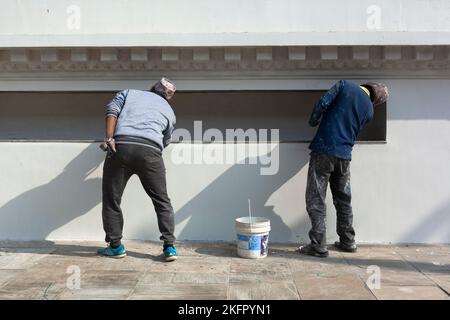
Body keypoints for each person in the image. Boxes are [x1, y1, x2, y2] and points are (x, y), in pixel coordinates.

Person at [298, 80, 388, 258]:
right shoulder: (369, 111)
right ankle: (348, 241)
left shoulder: (345, 85)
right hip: (345, 156)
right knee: (343, 200)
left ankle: (318, 245)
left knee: (316, 199)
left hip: (324, 149)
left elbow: (322, 102)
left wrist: (313, 120)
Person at [97, 78, 178, 261]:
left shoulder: (129, 92)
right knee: (161, 200)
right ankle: (169, 247)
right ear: (168, 97)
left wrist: (110, 139)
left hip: (121, 146)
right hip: (151, 152)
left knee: (112, 199)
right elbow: (166, 140)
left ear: (151, 89)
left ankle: (116, 247)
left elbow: (112, 110)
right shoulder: (169, 111)